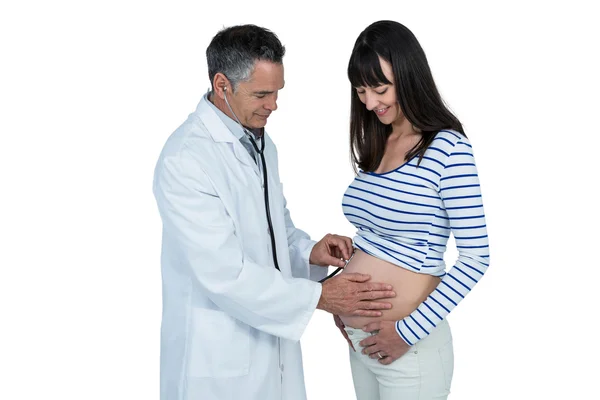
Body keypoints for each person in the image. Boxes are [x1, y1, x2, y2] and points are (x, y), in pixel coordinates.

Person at [152, 24, 396, 400]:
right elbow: (224, 274)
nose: (274, 105)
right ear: (222, 86)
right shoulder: (186, 160)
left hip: (268, 348)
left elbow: (274, 229)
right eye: (262, 94)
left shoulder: (260, 143)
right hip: (215, 359)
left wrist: (310, 251)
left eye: (277, 92)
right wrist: (319, 297)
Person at [332, 20, 491, 399]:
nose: (370, 102)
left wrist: (407, 331)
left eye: (379, 88)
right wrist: (342, 299)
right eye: (361, 91)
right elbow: (380, 238)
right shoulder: (378, 142)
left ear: (408, 75)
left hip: (410, 348)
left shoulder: (449, 149)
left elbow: (476, 257)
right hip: (361, 343)